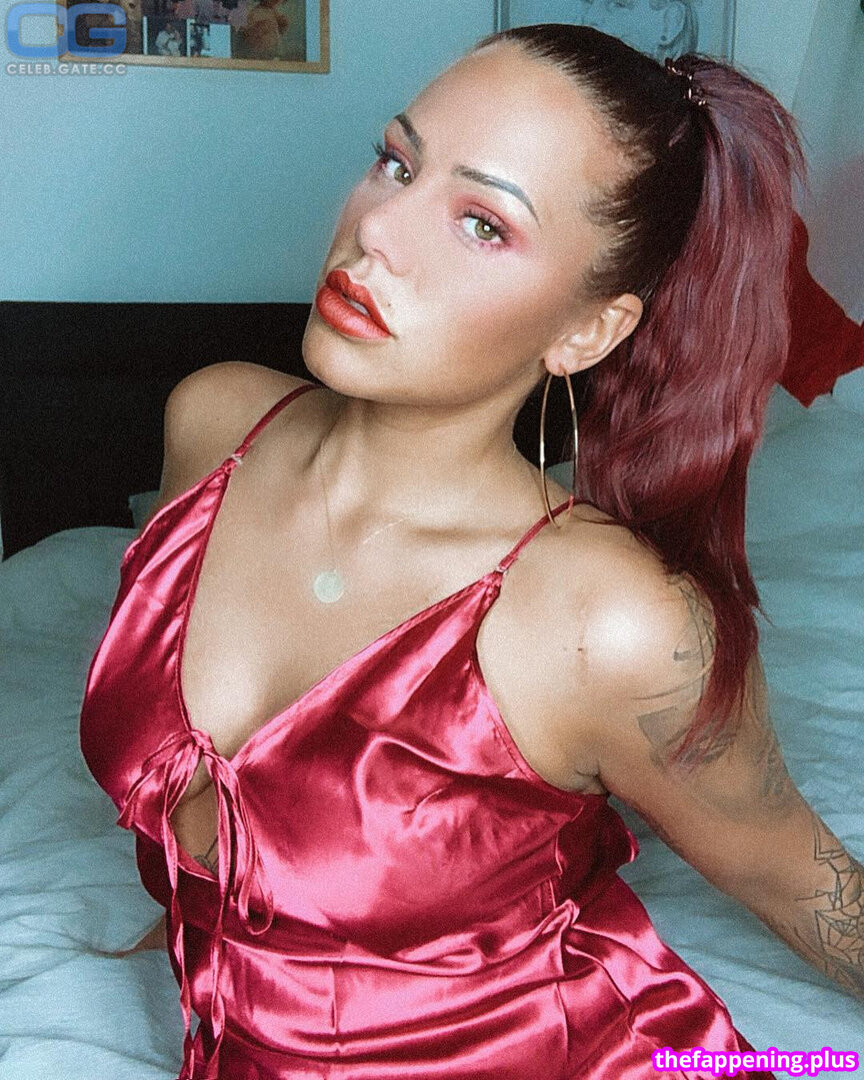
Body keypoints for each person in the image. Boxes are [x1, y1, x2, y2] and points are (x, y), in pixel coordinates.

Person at [80, 22, 864, 1080]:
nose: (377, 227)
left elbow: (796, 879)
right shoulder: (214, 422)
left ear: (587, 333)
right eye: (395, 163)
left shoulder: (612, 621)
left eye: (483, 224)